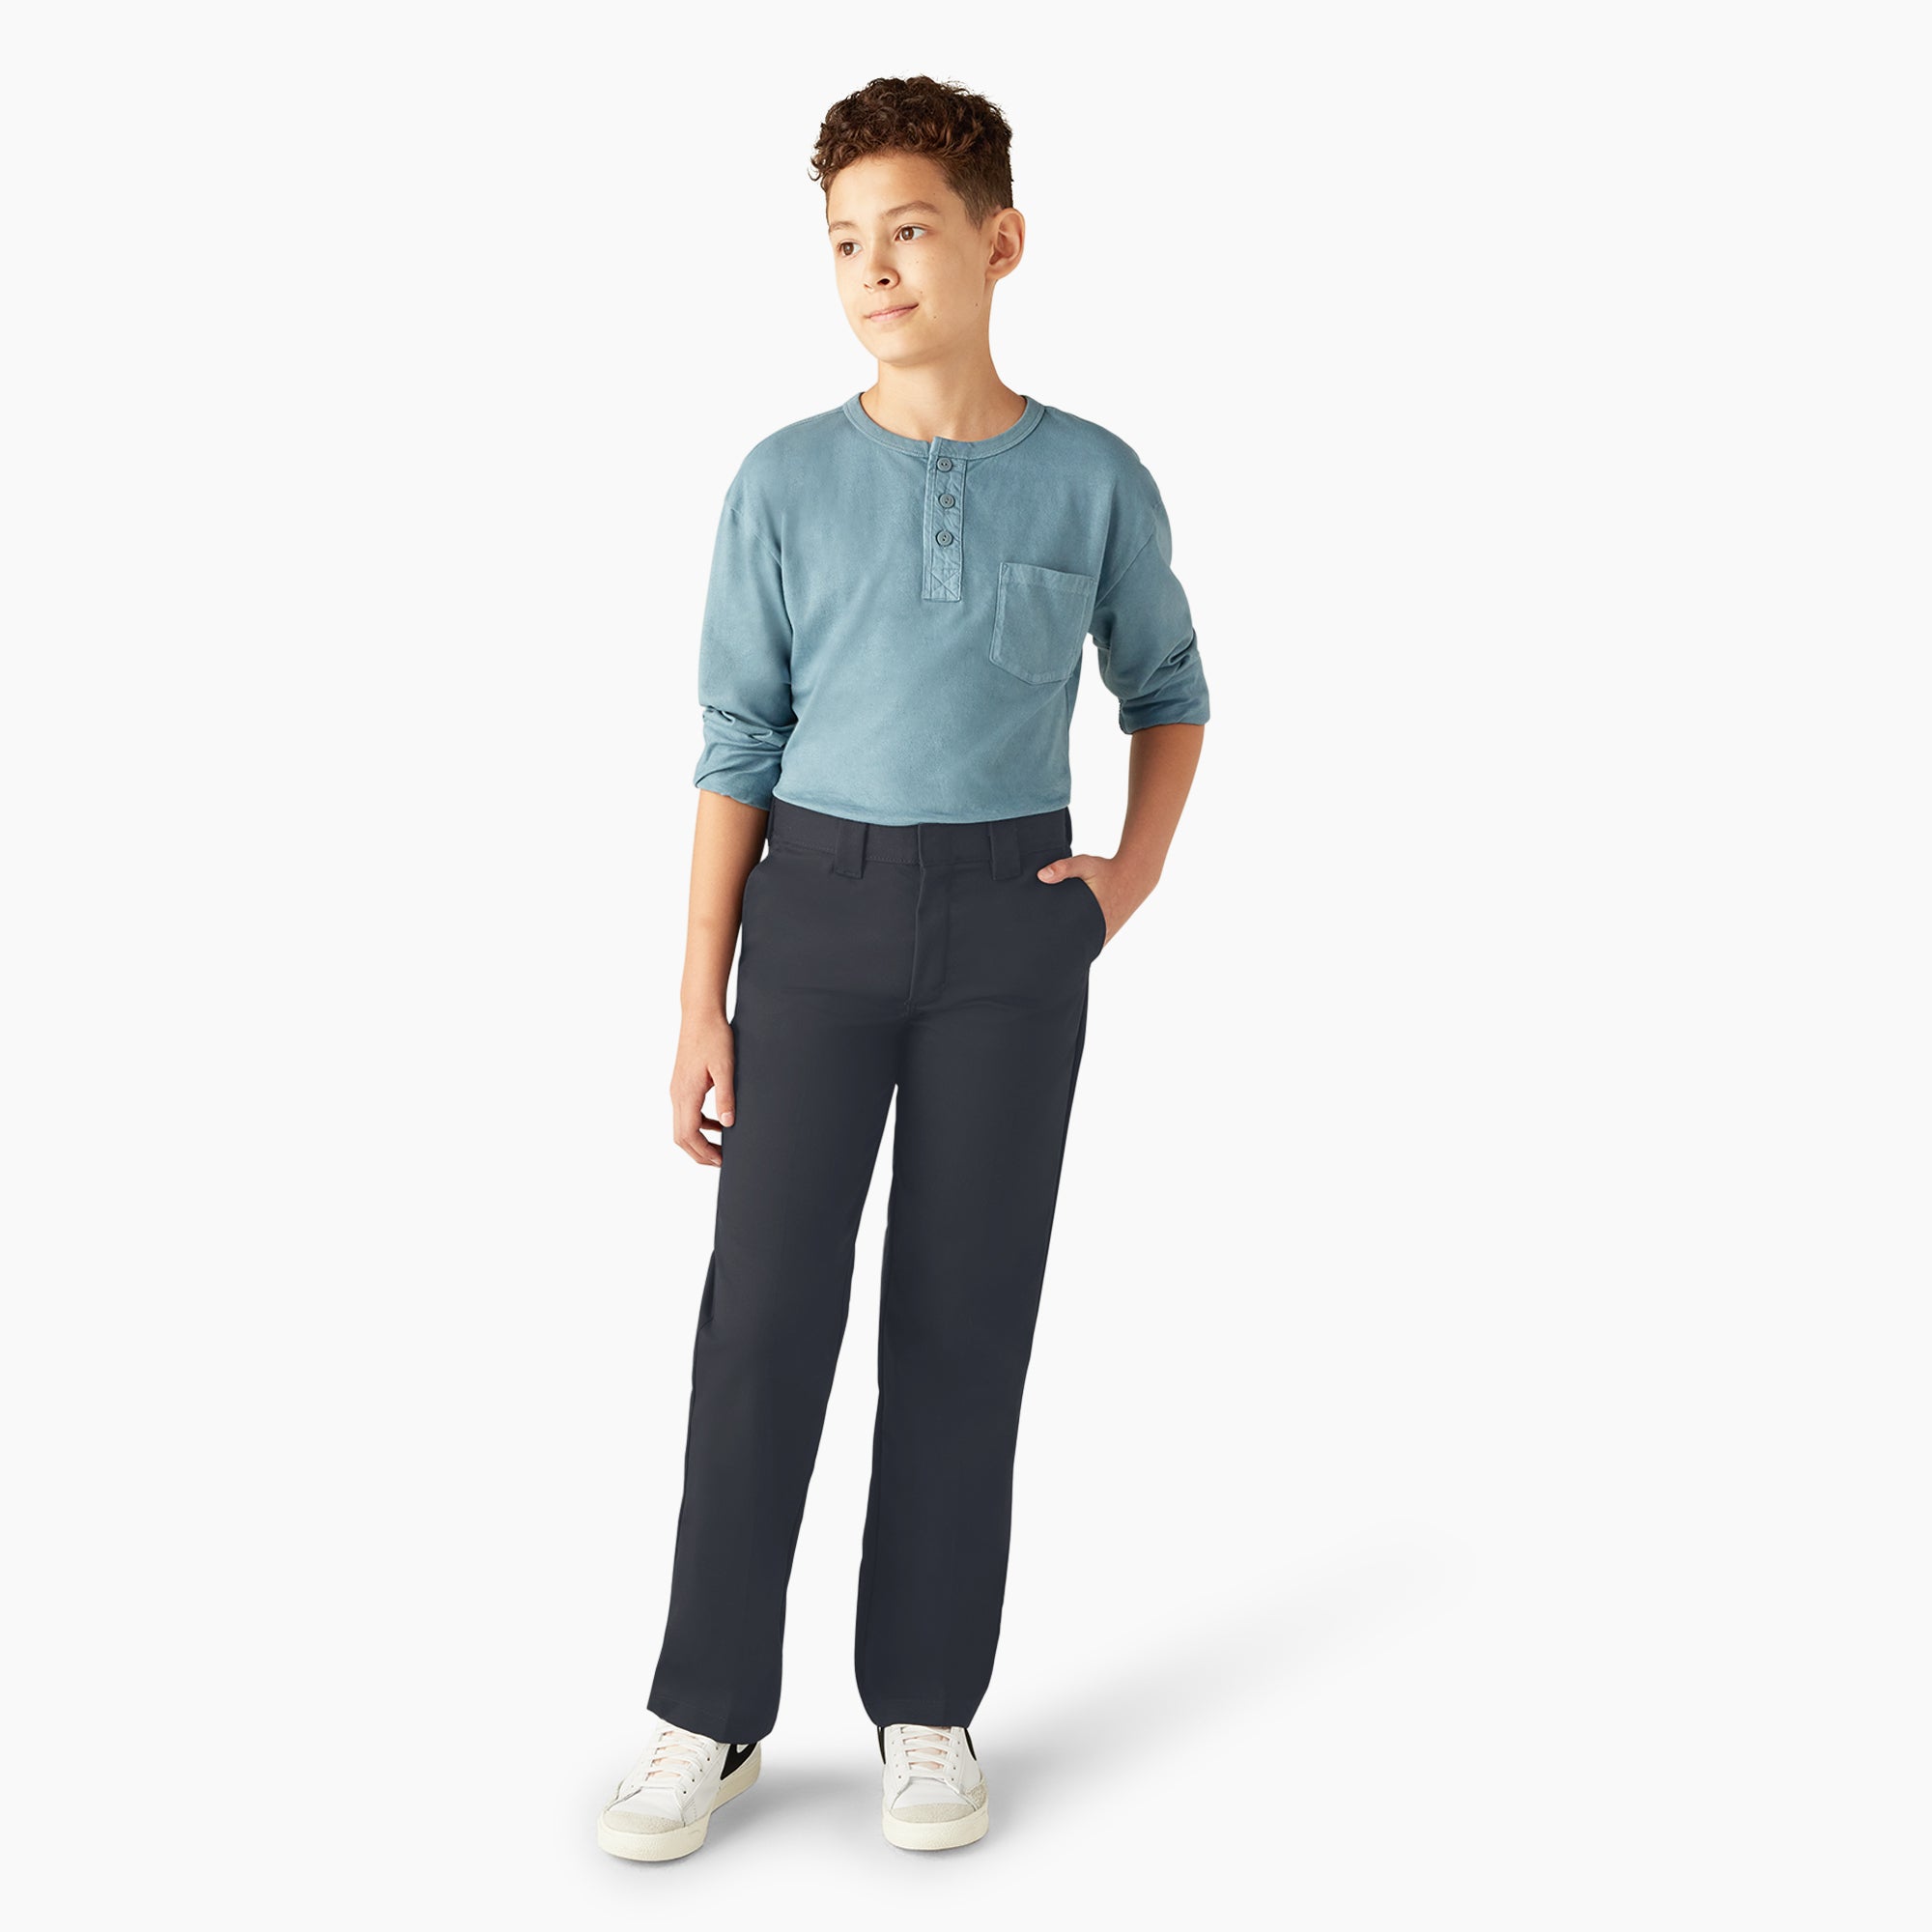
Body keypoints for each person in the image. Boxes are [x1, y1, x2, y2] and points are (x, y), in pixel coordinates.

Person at [597, 73, 1209, 1861]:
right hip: (817, 917)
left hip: (1014, 928)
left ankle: (926, 1706)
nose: (874, 268)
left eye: (911, 231)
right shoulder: (783, 481)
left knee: (966, 1316)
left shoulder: (1093, 477)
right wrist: (699, 1000)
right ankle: (705, 1712)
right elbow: (736, 738)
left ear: (1001, 243)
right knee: (764, 1319)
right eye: (846, 241)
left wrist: (1126, 881)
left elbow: (1168, 688)